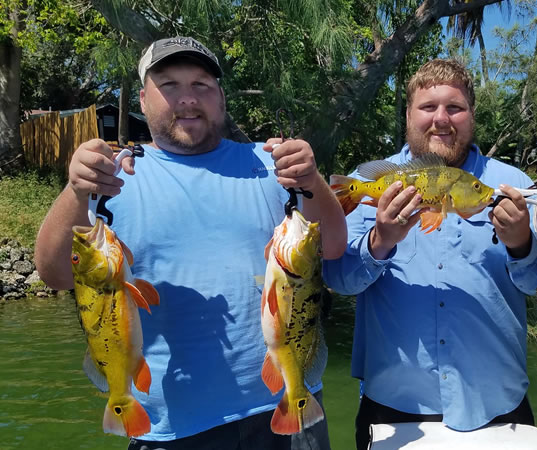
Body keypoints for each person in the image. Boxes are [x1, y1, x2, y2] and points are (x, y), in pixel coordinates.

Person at [34, 36, 346, 450]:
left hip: (285, 404)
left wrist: (311, 180)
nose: (187, 99)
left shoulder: (272, 166)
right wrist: (75, 191)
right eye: (169, 86)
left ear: (221, 98)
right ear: (143, 100)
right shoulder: (112, 177)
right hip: (171, 426)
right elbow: (55, 274)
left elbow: (334, 245)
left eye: (201, 85)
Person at [322, 58, 537, 450]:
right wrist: (380, 241)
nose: (441, 119)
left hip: (497, 406)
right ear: (408, 114)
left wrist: (520, 244)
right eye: (428, 107)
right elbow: (338, 280)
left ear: (471, 115)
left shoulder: (514, 185)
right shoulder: (366, 183)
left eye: (455, 108)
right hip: (395, 407)